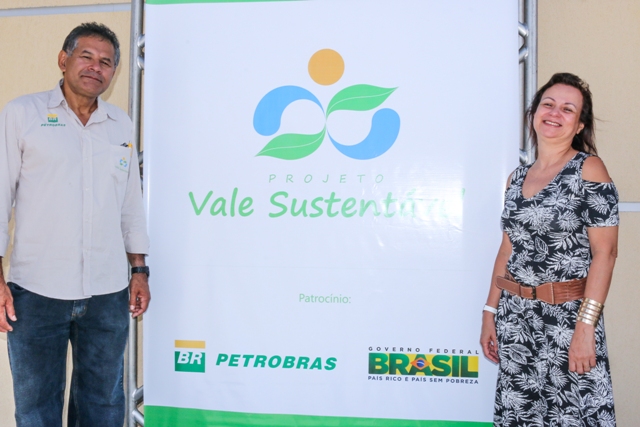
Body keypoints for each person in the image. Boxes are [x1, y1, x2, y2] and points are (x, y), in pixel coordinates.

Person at [0, 23, 150, 426]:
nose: (96, 67)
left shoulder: (120, 125)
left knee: (102, 405)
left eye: (106, 62)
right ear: (63, 60)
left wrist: (139, 270)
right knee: (37, 408)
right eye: (86, 56)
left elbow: (130, 204)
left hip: (107, 292)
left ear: (114, 72)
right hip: (36, 291)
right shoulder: (22, 114)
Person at [480, 73, 618, 426]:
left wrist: (586, 328)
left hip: (568, 320)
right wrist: (489, 312)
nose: (555, 113)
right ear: (534, 113)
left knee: (574, 415)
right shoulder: (516, 178)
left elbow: (606, 254)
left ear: (579, 125)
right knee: (521, 416)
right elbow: (507, 249)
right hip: (516, 319)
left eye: (568, 109)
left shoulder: (589, 169)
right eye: (548, 104)